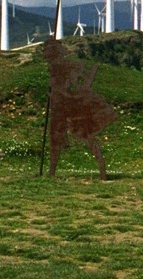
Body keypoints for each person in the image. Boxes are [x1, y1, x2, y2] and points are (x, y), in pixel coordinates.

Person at [42, 36, 117, 178]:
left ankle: (102, 172)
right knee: (56, 138)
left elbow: (69, 86)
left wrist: (59, 92)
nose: (44, 54)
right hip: (59, 106)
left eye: (47, 51)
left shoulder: (63, 67)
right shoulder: (55, 68)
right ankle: (52, 171)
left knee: (84, 136)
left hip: (68, 107)